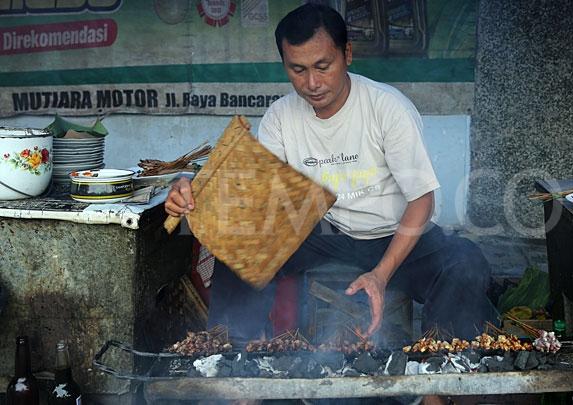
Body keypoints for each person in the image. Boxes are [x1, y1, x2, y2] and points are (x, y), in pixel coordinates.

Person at [165, 3, 494, 342]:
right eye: (298, 69)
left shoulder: (387, 108)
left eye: (323, 66)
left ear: (347, 54)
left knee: (465, 263)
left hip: (396, 233)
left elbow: (422, 201)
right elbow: (258, 196)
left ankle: (438, 383)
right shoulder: (280, 117)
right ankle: (235, 364)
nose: (312, 83)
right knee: (239, 244)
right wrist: (195, 188)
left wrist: (379, 276)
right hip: (326, 231)